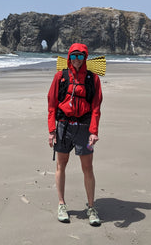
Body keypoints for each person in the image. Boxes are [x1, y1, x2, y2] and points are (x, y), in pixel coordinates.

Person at [47, 43, 103, 226]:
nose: (77, 60)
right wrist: (51, 130)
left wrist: (94, 131)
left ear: (85, 58)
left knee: (88, 168)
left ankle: (92, 207)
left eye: (80, 56)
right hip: (63, 127)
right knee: (61, 165)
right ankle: (61, 204)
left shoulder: (93, 79)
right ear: (69, 57)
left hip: (84, 128)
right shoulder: (60, 76)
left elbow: (96, 107)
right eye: (74, 56)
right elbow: (52, 104)